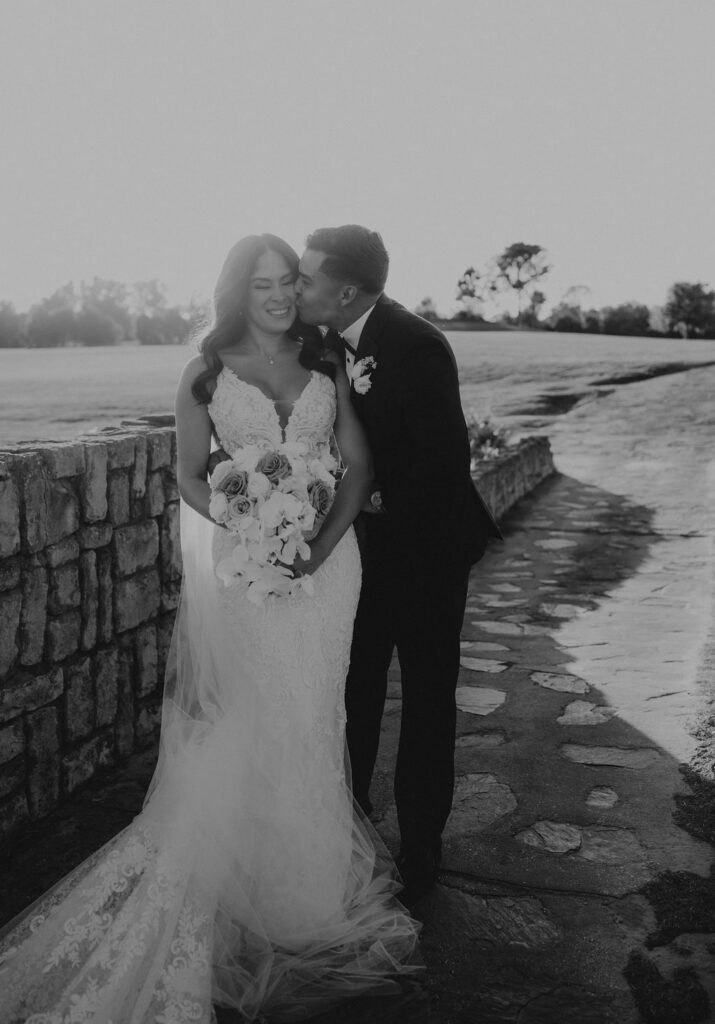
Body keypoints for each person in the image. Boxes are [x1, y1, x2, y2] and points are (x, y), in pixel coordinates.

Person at [0, 234, 419, 1023]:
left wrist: (317, 547)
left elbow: (355, 466)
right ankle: (243, 884)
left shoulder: (326, 359)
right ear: (237, 289)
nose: (278, 296)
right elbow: (192, 477)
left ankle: (306, 892)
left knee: (315, 717)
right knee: (258, 719)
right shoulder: (205, 373)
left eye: (287, 282)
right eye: (261, 284)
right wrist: (254, 527)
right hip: (250, 568)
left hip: (328, 570)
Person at [295, 225, 502, 904]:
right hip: (360, 559)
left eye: (307, 276)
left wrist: (364, 496)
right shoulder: (321, 344)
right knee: (351, 693)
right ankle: (346, 836)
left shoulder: (415, 345)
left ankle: (421, 850)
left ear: (345, 288)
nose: (299, 286)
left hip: (428, 556)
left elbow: (445, 464)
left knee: (424, 703)